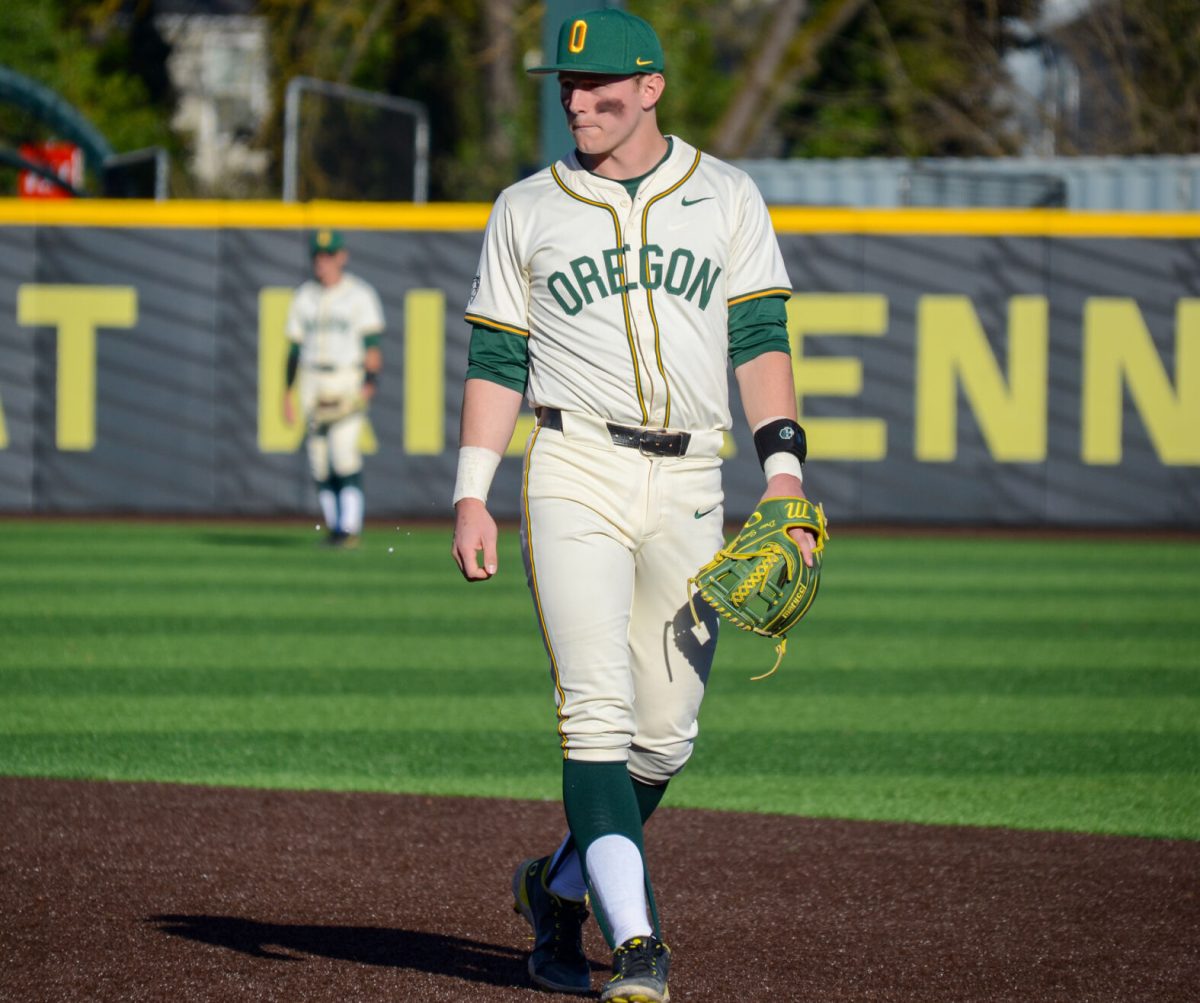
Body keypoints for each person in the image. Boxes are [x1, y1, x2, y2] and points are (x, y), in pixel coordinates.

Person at [450, 9, 817, 1001]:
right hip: (573, 465)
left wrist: (783, 471)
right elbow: (495, 358)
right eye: (567, 84)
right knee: (597, 714)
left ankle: (555, 886)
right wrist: (471, 492)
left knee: (666, 735)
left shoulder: (728, 196)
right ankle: (640, 943)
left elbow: (760, 339)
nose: (579, 99)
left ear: (651, 87)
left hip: (695, 476)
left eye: (601, 84)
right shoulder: (527, 206)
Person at [283, 229, 384, 548]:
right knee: (318, 459)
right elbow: (294, 350)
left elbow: (371, 348)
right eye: (318, 256)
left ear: (342, 256)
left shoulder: (359, 294)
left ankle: (349, 526)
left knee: (343, 454)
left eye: (328, 255)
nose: (322, 262)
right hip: (313, 379)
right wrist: (287, 393)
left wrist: (370, 383)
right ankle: (334, 526)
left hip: (346, 377)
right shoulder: (304, 296)